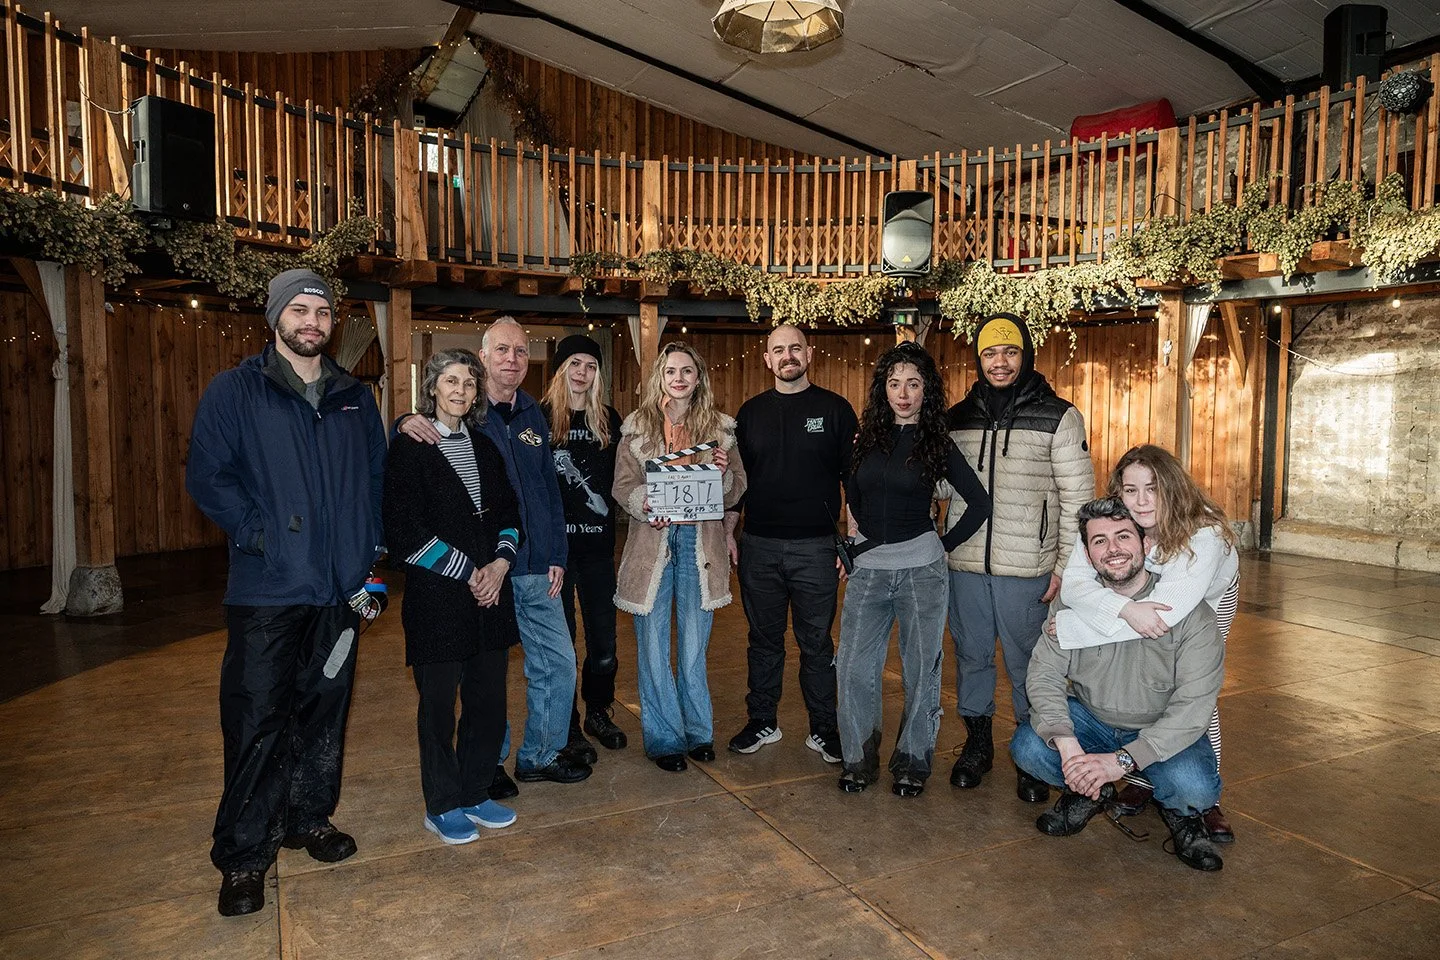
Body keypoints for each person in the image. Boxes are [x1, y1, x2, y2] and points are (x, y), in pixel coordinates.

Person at [186, 268, 386, 917]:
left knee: (324, 711)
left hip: (340, 596)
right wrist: (257, 533)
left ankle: (309, 820)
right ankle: (244, 856)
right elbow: (208, 475)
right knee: (256, 719)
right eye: (299, 310)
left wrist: (370, 563)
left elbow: (378, 485)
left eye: (322, 313)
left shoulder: (356, 397)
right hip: (268, 592)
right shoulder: (237, 390)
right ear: (276, 318)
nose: (312, 322)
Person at [399, 317, 588, 788]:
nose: (512, 359)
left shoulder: (534, 414)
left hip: (536, 564)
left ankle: (540, 755)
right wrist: (404, 420)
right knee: (488, 673)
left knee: (558, 663)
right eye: (502, 350)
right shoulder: (466, 412)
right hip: (483, 572)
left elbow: (547, 488)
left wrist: (558, 554)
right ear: (483, 358)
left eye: (521, 351)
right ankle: (491, 764)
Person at [1012, 497, 1226, 872]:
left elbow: (1194, 707)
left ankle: (1183, 816)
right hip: (1093, 720)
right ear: (1089, 556)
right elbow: (1043, 674)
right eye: (1099, 541)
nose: (1113, 550)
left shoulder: (1189, 612)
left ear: (1145, 545)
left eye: (1123, 536)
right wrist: (1070, 751)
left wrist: (1123, 761)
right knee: (1029, 747)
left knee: (1195, 788)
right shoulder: (1072, 604)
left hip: (1158, 728)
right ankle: (1090, 791)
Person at [942, 312, 1093, 802]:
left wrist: (1065, 567)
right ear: (978, 359)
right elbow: (943, 486)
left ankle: (1034, 753)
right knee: (972, 656)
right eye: (990, 353)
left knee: (1031, 665)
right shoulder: (956, 418)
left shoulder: (1059, 416)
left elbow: (1078, 501)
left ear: (1025, 355)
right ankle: (978, 744)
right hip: (964, 563)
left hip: (1029, 568)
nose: (1000, 362)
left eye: (1009, 352)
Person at [1055, 443, 1240, 842]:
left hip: (1205, 602)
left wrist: (1070, 630)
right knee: (1138, 680)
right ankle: (1141, 774)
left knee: (1193, 690)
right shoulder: (1110, 519)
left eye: (1152, 488)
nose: (1140, 501)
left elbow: (1162, 616)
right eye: (1130, 489)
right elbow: (1074, 586)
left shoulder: (1204, 534)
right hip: (1136, 602)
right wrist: (1123, 610)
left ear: (1171, 487)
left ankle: (1207, 801)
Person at [836, 342, 990, 798]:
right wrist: (858, 546)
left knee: (922, 671)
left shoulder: (936, 443)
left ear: (927, 391)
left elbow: (980, 503)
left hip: (922, 572)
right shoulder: (865, 440)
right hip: (868, 571)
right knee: (853, 669)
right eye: (895, 383)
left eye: (914, 384)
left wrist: (941, 546)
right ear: (884, 389)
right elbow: (854, 496)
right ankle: (859, 759)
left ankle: (912, 762)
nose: (903, 393)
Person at [384, 349, 523, 845]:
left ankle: (474, 790)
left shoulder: (485, 446)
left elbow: (509, 512)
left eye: (469, 381)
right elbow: (403, 529)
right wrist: (470, 572)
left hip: (490, 597)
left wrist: (501, 564)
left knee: (489, 703)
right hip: (438, 601)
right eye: (450, 380)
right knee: (439, 708)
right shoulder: (411, 447)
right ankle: (441, 804)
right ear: (433, 388)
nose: (460, 389)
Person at [723, 324, 858, 763]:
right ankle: (762, 720)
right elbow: (738, 483)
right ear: (767, 359)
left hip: (816, 549)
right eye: (778, 350)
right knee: (763, 642)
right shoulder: (750, 413)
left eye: (794, 348)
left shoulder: (835, 410)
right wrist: (729, 530)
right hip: (759, 547)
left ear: (809, 353)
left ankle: (824, 728)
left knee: (816, 644)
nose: (787, 356)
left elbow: (852, 480)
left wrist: (852, 540)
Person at [612, 342, 747, 772]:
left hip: (699, 547)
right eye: (671, 370)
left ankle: (698, 732)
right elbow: (622, 485)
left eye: (687, 371)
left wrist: (725, 472)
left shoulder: (722, 430)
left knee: (693, 647)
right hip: (652, 547)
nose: (679, 378)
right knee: (653, 646)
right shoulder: (637, 429)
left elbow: (737, 487)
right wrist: (643, 503)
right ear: (660, 377)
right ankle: (665, 738)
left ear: (698, 377)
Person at [541, 334, 628, 759]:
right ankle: (569, 725)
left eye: (590, 366)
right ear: (561, 370)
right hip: (557, 556)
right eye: (574, 364)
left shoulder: (609, 419)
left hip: (598, 552)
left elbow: (628, 478)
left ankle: (598, 711)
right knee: (563, 646)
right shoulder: (539, 419)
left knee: (604, 646)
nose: (582, 372)